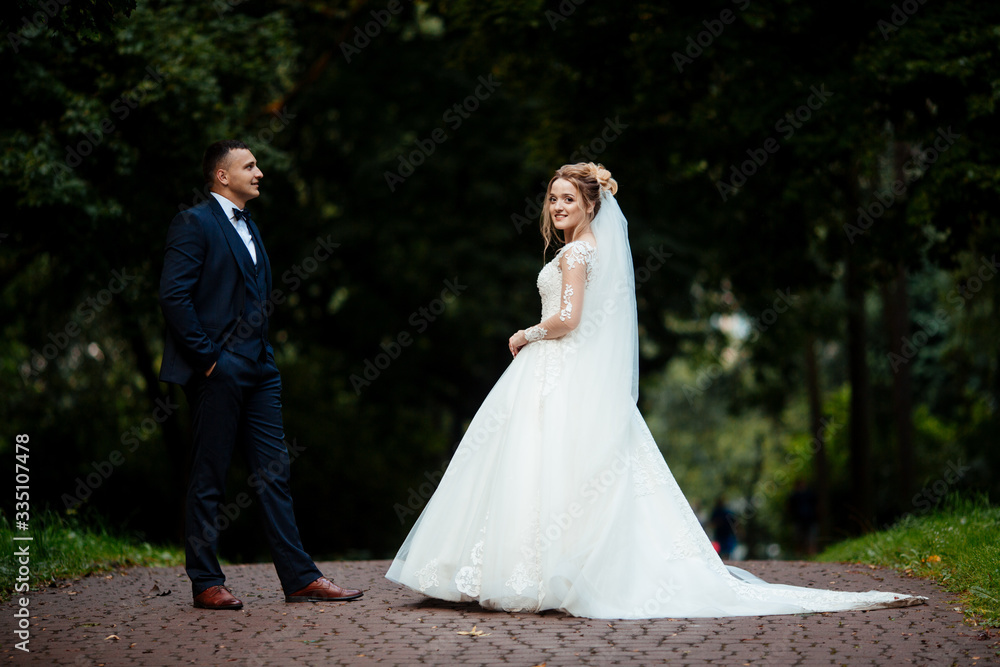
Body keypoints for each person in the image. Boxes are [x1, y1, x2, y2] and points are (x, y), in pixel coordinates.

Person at [385, 162, 925, 618]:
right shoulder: (589, 250)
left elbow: (570, 319)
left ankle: (532, 571)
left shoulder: (576, 254)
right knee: (549, 467)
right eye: (552, 198)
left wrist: (526, 333)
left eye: (568, 198)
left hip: (554, 362)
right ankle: (539, 568)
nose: (557, 207)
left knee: (537, 464)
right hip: (558, 370)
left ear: (590, 205)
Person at [159, 140, 362, 610]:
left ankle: (300, 579)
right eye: (249, 166)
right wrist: (210, 360)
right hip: (218, 370)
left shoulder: (249, 225)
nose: (260, 172)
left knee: (275, 474)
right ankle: (205, 581)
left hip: (260, 369)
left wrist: (260, 357)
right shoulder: (194, 222)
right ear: (222, 176)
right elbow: (174, 298)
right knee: (210, 476)